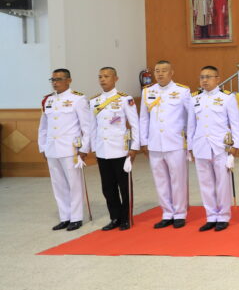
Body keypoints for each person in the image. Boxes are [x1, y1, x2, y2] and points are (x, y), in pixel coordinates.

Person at [139, 60, 195, 228]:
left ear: (172, 73)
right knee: (160, 180)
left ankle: (180, 213)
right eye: (157, 71)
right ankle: (167, 213)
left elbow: (190, 118)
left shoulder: (182, 91)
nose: (160, 74)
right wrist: (144, 141)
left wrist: (189, 141)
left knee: (178, 180)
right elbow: (143, 118)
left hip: (175, 142)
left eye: (164, 70)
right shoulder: (147, 91)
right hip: (155, 143)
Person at [38, 68, 92, 231]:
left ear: (69, 80)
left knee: (74, 184)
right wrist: (43, 147)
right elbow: (43, 127)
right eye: (53, 80)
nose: (55, 83)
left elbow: (87, 126)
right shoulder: (48, 100)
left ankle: (76, 218)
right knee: (58, 184)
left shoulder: (78, 99)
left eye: (59, 79)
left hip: (70, 149)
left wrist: (84, 148)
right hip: (52, 149)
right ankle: (65, 217)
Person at [87, 66, 139, 231]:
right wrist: (94, 148)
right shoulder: (94, 101)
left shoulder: (125, 99)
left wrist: (134, 147)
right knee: (108, 187)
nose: (103, 79)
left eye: (106, 76)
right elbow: (92, 127)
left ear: (115, 78)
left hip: (120, 149)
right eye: (100, 76)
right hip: (102, 150)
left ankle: (126, 217)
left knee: (124, 186)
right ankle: (114, 217)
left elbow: (135, 125)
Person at [189, 66, 239, 232]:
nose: (204, 80)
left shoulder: (227, 98)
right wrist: (190, 146)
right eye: (202, 77)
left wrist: (235, 146)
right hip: (201, 146)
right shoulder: (194, 98)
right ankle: (211, 216)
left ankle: (223, 216)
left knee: (222, 183)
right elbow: (191, 125)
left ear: (217, 79)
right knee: (205, 183)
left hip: (221, 147)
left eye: (208, 77)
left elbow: (235, 124)